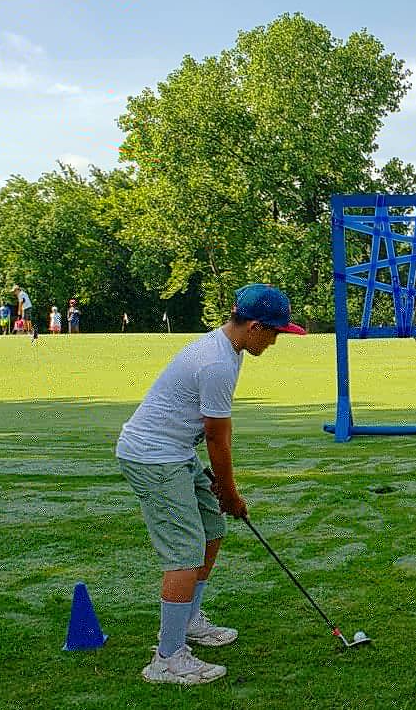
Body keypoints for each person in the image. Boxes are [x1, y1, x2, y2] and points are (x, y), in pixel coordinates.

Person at [115, 283, 306, 685]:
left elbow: (211, 431)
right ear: (254, 327)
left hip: (176, 451)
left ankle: (187, 621)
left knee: (212, 529)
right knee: (185, 552)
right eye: (274, 333)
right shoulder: (216, 363)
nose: (274, 342)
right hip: (153, 457)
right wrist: (230, 492)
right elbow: (218, 438)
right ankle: (167, 659)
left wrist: (221, 491)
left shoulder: (229, 350)